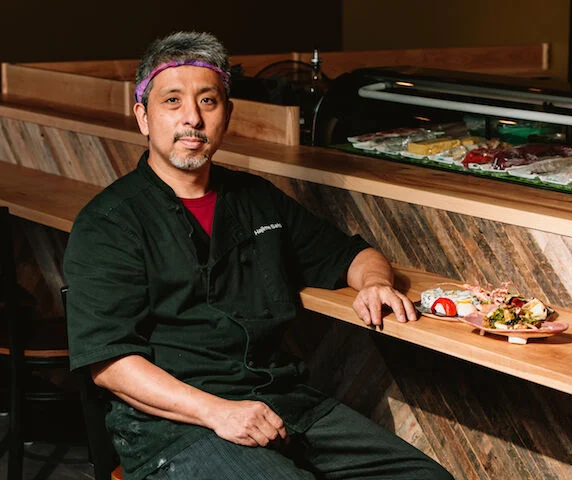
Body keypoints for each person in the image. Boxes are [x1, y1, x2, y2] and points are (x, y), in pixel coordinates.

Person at [64, 31, 453, 480]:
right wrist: (218, 412)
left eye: (208, 101)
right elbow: (110, 365)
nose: (192, 117)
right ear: (143, 117)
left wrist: (374, 284)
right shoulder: (109, 222)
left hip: (284, 403)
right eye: (172, 101)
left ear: (227, 115)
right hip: (176, 427)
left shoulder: (258, 200)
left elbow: (353, 255)